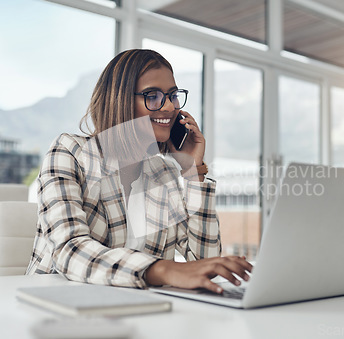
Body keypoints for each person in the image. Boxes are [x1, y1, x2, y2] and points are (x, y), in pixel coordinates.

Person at [26, 49, 252, 294]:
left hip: (136, 311)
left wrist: (192, 171)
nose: (168, 106)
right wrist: (164, 269)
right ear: (120, 101)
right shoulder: (70, 152)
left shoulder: (164, 173)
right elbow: (69, 251)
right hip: (58, 306)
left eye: (172, 95)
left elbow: (204, 260)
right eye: (152, 95)